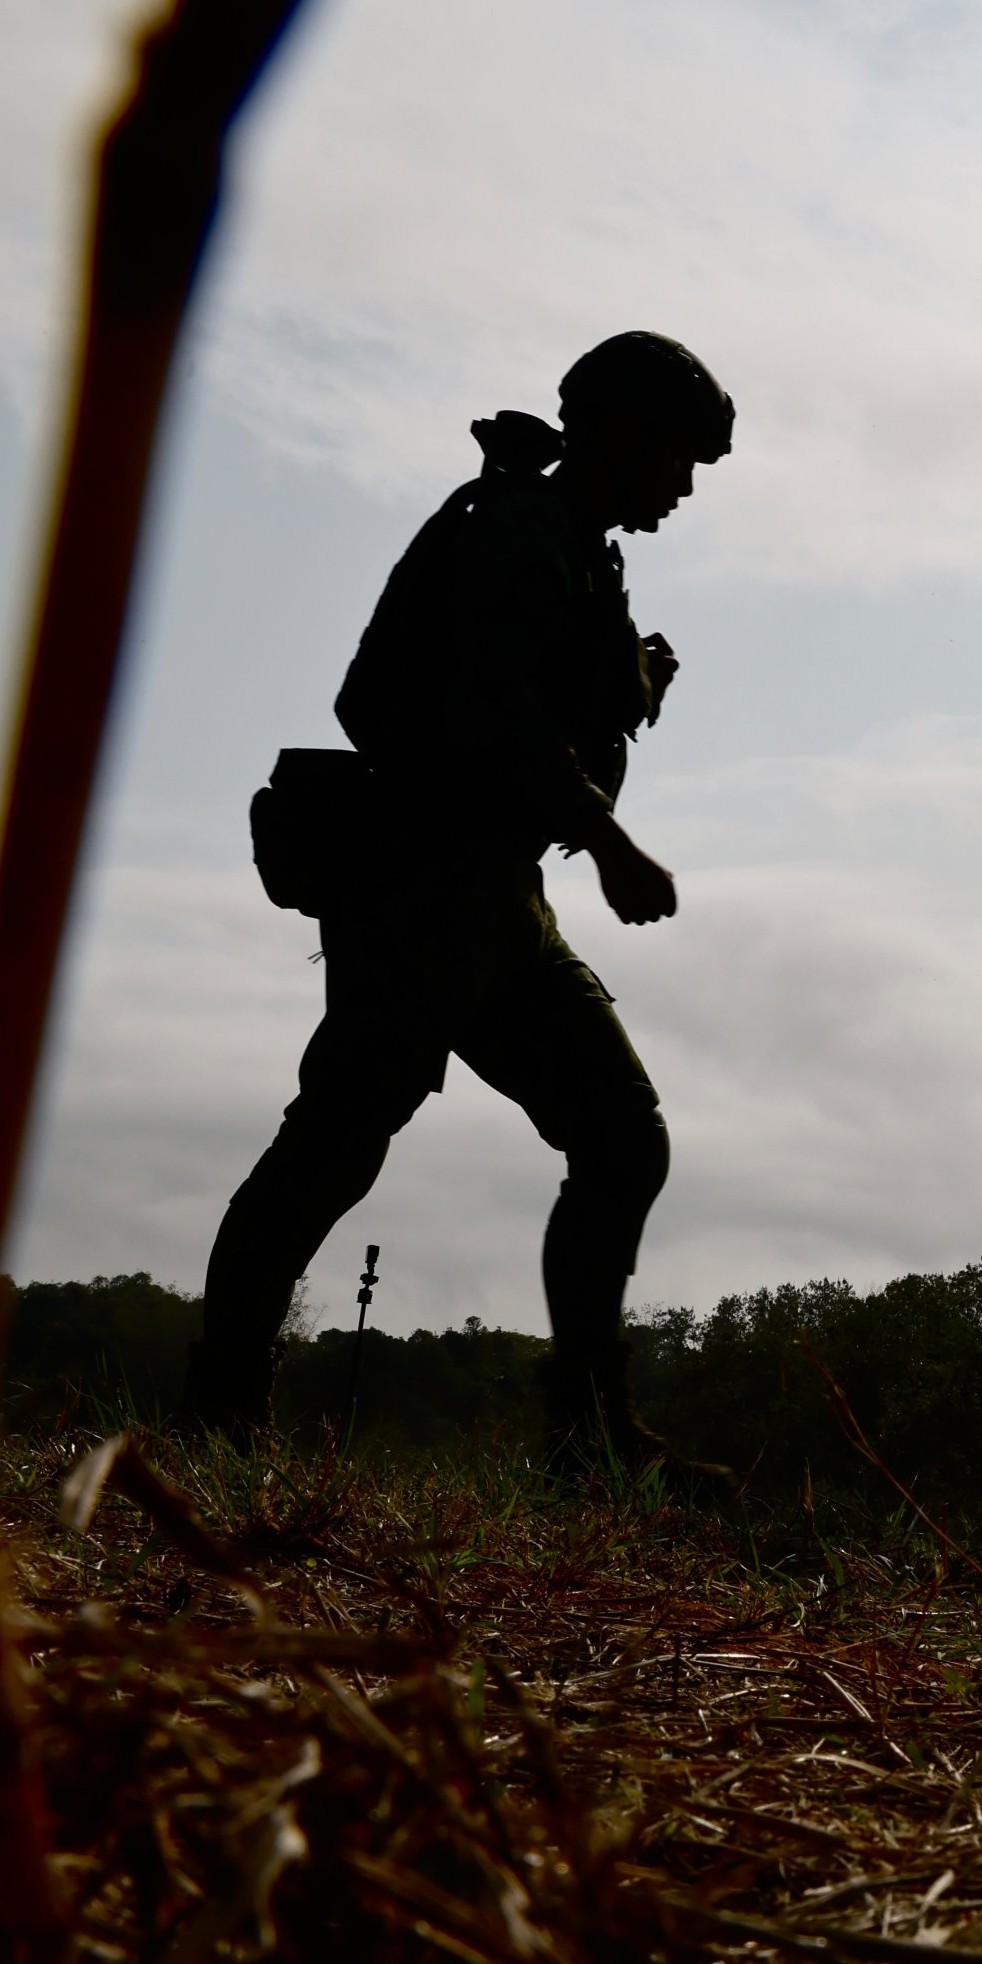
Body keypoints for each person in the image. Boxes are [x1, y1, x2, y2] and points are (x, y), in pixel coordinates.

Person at [177, 333, 725, 1474]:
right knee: (335, 1140)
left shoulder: (582, 550)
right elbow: (495, 719)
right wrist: (611, 839)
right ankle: (217, 1405)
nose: (682, 486)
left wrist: (636, 687)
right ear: (617, 432)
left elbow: (554, 704)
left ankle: (587, 1428)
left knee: (620, 1134)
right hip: (420, 885)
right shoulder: (517, 531)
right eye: (677, 457)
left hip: (495, 893)